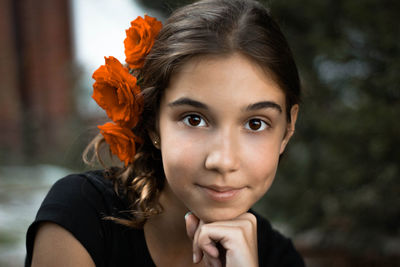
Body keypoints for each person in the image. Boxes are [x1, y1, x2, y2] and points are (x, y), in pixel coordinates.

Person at [25, 0, 305, 266]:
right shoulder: (83, 216)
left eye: (255, 124)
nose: (223, 161)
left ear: (287, 129)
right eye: (194, 119)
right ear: (153, 124)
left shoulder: (278, 258)